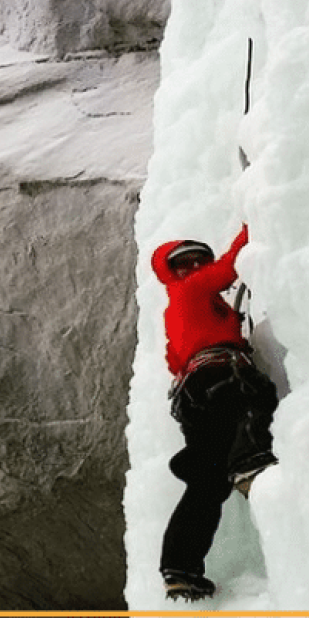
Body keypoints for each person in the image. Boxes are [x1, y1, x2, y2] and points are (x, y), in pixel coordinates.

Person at [151, 224, 279, 601]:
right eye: (182, 263)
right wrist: (252, 223)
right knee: (256, 401)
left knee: (207, 485)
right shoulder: (190, 289)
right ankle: (249, 463)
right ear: (169, 273)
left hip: (193, 394)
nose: (192, 267)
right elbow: (227, 269)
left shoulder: (182, 306)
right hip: (220, 374)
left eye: (197, 260)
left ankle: (180, 567)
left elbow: (173, 359)